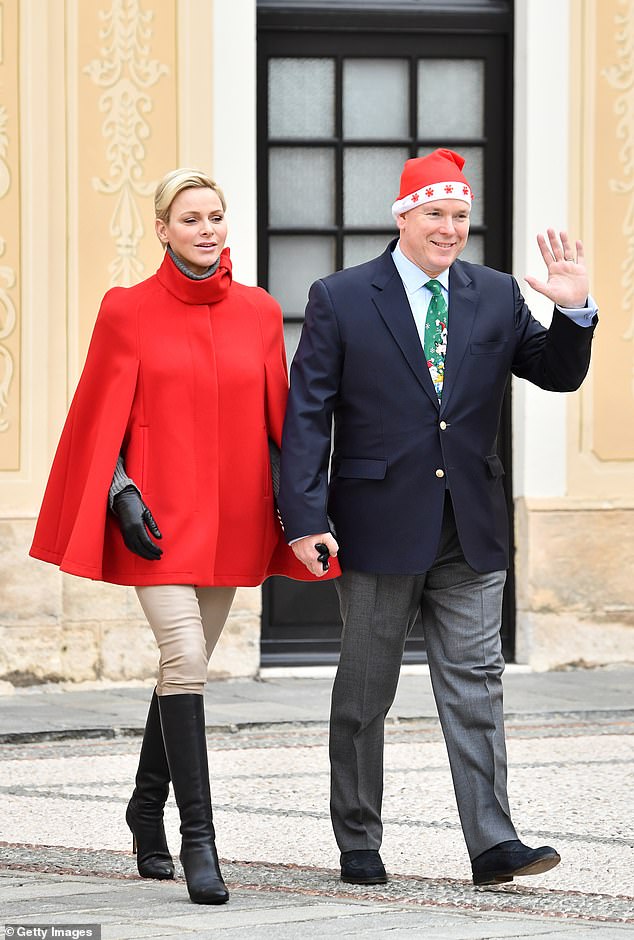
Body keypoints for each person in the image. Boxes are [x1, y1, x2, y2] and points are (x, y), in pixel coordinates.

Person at [278, 149, 597, 887]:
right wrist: (303, 515)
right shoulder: (343, 296)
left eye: (459, 215)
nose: (450, 228)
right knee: (365, 691)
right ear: (403, 217)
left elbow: (558, 372)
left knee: (477, 683)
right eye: (435, 214)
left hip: (470, 524)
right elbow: (307, 416)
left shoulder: (494, 295)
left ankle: (493, 844)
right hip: (376, 522)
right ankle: (358, 839)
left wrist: (573, 310)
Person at [30, 168, 338, 905]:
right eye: (191, 218)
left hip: (233, 521)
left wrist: (304, 520)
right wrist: (121, 495)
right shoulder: (126, 310)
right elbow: (95, 417)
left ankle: (143, 808)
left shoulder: (261, 313)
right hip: (158, 525)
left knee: (184, 666)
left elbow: (281, 431)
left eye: (216, 217)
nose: (207, 229)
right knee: (186, 657)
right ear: (162, 229)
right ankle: (200, 839)